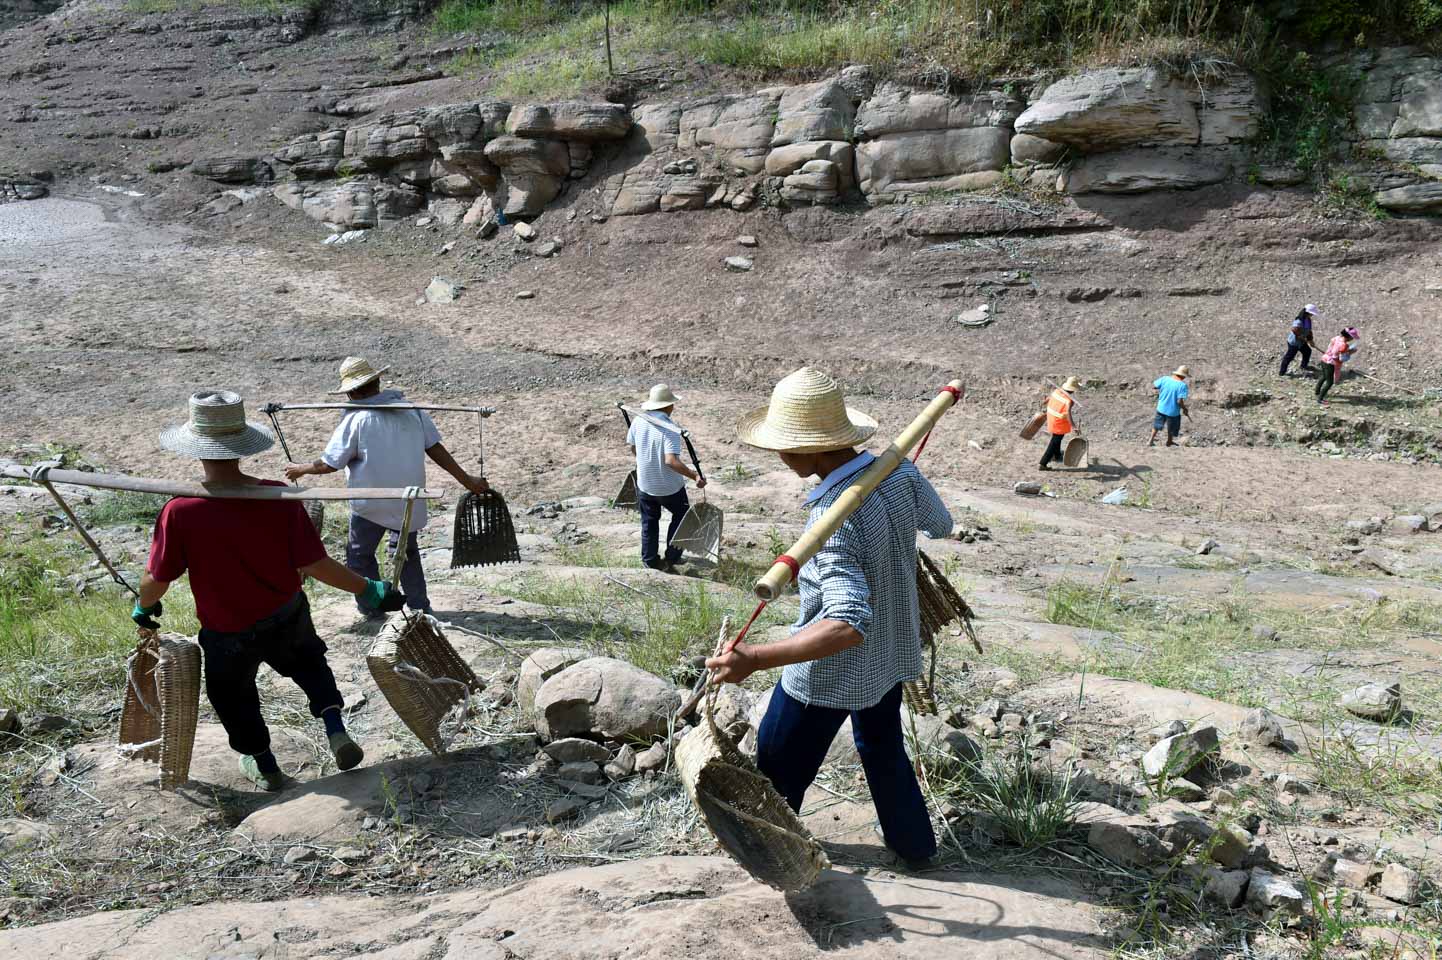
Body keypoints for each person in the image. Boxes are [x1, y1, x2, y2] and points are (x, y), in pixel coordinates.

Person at [706, 367, 955, 868]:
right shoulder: (898, 472)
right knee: (883, 747)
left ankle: (775, 857)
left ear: (813, 449)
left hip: (828, 672)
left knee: (777, 763)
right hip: (890, 652)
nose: (779, 455)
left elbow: (846, 624)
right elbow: (941, 525)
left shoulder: (832, 521)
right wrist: (897, 504)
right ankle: (915, 847)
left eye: (784, 446)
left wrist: (755, 658)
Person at [131, 391, 407, 792]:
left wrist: (144, 606)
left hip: (226, 631)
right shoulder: (278, 496)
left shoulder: (182, 510)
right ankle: (335, 729)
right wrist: (369, 589)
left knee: (233, 697)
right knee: (311, 666)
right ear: (241, 446)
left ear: (197, 449)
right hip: (285, 613)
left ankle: (265, 765)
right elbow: (316, 564)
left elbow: (157, 578)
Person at [285, 357, 489, 617]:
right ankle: (419, 607)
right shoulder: (412, 410)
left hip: (371, 503)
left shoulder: (356, 419)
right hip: (408, 501)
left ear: (351, 392)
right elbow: (435, 448)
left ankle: (373, 607)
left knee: (359, 554)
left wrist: (300, 468)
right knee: (406, 553)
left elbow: (329, 464)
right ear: (377, 383)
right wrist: (467, 480)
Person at [625, 384, 705, 571]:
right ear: (668, 406)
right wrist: (694, 476)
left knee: (649, 521)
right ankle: (672, 558)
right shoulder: (670, 429)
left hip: (645, 484)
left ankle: (650, 561)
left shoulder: (638, 420)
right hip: (669, 487)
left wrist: (647, 462)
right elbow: (670, 461)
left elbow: (634, 448)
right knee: (681, 517)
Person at [1039, 377, 1081, 471]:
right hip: (1059, 422)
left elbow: (1048, 399)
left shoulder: (1057, 391)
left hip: (1051, 418)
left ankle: (1057, 455)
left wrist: (1043, 403)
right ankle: (1043, 463)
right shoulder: (1069, 400)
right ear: (1073, 390)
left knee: (1057, 438)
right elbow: (1068, 414)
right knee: (1055, 441)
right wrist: (1074, 427)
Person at [1315, 327, 1359, 405]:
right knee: (1330, 382)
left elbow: (1335, 350)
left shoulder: (1336, 338)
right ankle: (1320, 398)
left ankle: (1317, 391)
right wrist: (1350, 352)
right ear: (1349, 337)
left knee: (1324, 376)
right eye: (1352, 337)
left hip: (1324, 359)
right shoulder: (1344, 345)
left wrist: (1346, 351)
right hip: (1330, 363)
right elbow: (1341, 358)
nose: (1352, 339)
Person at [1149, 366, 1191, 447]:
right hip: (1173, 411)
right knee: (1172, 427)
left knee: (1157, 424)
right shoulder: (1182, 386)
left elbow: (1154, 386)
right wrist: (1185, 409)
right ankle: (1169, 441)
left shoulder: (1165, 379)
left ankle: (1150, 440)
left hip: (1161, 408)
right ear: (1183, 376)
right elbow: (1179, 401)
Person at [1280, 305, 1319, 376]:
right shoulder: (1299, 320)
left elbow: (1309, 331)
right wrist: (1300, 336)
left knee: (1307, 351)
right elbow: (1294, 329)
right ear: (1307, 312)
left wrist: (1311, 340)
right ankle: (1282, 372)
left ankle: (1303, 366)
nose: (1312, 315)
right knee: (1289, 357)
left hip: (1301, 342)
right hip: (1294, 342)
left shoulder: (1308, 320)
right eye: (1311, 313)